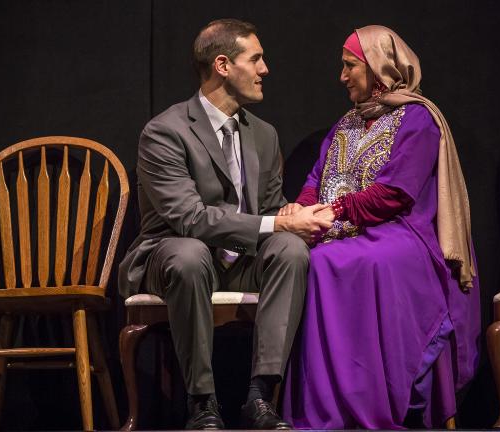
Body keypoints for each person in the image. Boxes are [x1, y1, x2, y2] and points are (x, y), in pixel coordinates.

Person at [118, 19, 332, 430]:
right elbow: (189, 218)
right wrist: (276, 223)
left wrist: (297, 216)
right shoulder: (165, 131)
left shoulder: (264, 135)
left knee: (289, 249)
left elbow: (269, 208)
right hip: (174, 254)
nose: (265, 69)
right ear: (222, 64)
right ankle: (201, 402)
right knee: (190, 253)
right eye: (255, 59)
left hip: (239, 259)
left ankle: (260, 395)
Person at [281, 25, 481, 429]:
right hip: (341, 225)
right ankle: (330, 406)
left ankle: (374, 400)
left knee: (355, 261)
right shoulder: (347, 123)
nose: (342, 76)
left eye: (349, 66)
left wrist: (333, 212)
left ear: (377, 67)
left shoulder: (419, 118)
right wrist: (300, 210)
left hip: (402, 232)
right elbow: (315, 178)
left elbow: (395, 194)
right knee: (310, 260)